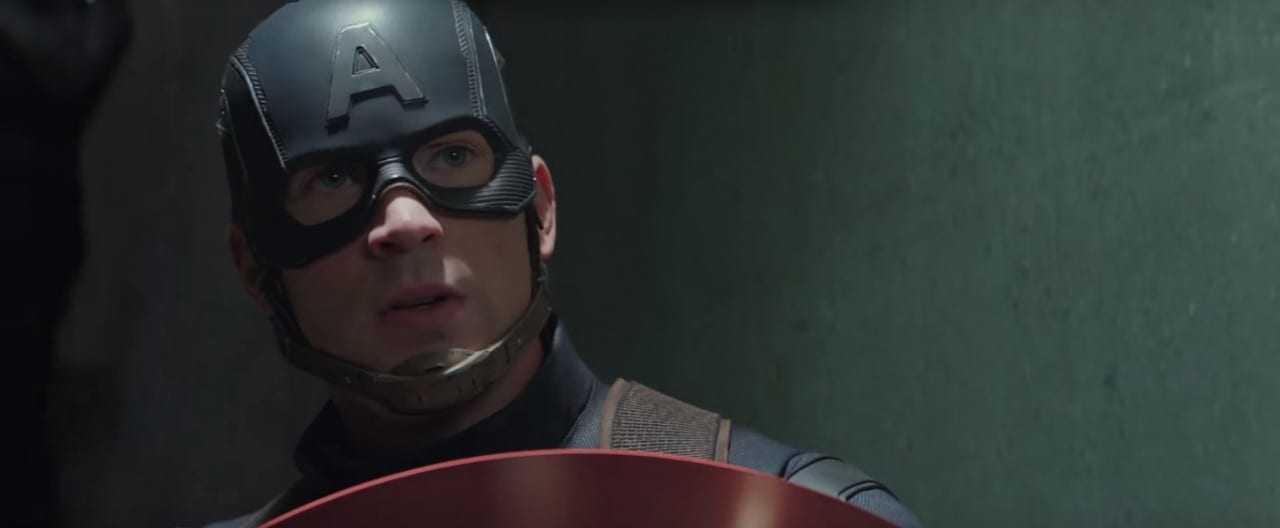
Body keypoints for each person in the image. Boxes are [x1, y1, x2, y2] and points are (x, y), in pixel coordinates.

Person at [209, 1, 920, 526]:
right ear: (254, 270)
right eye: (333, 180)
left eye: (452, 156)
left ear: (541, 208)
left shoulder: (791, 512)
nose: (406, 222)